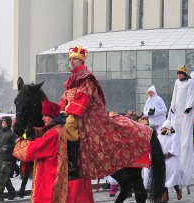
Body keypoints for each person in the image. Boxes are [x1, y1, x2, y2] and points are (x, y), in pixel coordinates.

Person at [59, 45, 153, 180]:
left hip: (86, 115)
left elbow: (82, 99)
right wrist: (58, 111)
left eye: (74, 59)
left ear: (81, 60)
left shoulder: (86, 78)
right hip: (71, 112)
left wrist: (67, 113)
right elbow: (65, 97)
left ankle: (72, 164)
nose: (71, 61)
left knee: (68, 127)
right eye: (71, 59)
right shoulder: (73, 79)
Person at [13, 100, 73, 203]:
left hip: (49, 177)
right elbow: (43, 132)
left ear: (53, 117)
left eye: (46, 116)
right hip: (54, 175)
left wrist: (20, 140)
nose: (44, 118)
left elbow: (34, 149)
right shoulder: (57, 130)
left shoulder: (54, 133)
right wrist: (31, 131)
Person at [168, 64, 194, 188]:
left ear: (184, 74)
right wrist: (172, 107)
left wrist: (189, 106)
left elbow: (191, 95)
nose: (179, 76)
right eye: (178, 73)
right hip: (178, 111)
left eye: (181, 74)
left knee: (186, 136)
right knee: (177, 132)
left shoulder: (190, 82)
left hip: (186, 111)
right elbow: (174, 95)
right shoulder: (177, 82)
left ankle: (187, 171)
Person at [158, 120, 185, 203]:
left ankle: (177, 190)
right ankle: (165, 195)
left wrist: (167, 155)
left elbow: (174, 149)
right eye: (163, 128)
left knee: (172, 177)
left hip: (172, 160)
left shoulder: (174, 136)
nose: (164, 129)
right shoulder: (159, 137)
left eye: (165, 128)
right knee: (163, 178)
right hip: (162, 160)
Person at [0, 116, 17, 202]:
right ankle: (12, 192)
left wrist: (7, 147)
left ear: (8, 123)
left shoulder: (12, 133)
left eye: (5, 122)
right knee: (4, 176)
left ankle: (0, 195)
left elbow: (15, 145)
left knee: (2, 175)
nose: (3, 124)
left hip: (8, 158)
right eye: (2, 122)